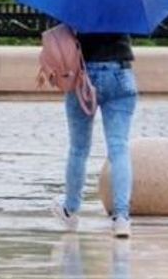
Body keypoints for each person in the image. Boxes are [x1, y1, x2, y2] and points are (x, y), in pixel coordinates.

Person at [51, 29, 137, 239]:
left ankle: (70, 209)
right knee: (119, 148)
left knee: (78, 148)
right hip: (120, 72)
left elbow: (60, 32)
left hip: (82, 74)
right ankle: (121, 218)